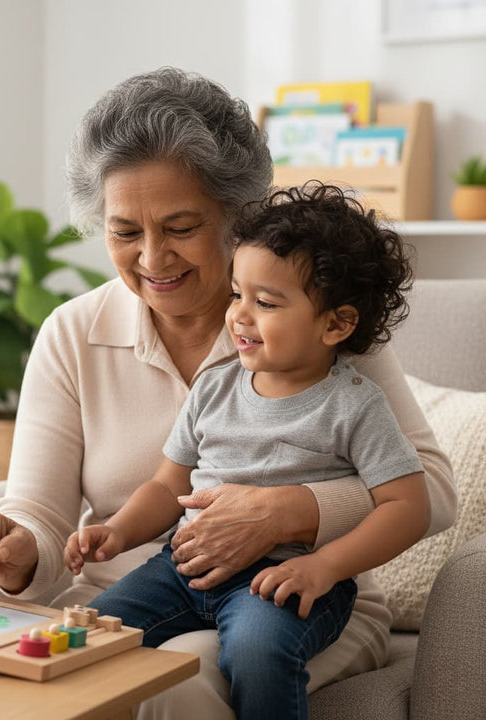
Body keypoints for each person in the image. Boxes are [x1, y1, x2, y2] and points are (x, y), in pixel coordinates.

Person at [0, 68, 455, 719]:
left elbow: (432, 492)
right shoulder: (71, 334)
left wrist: (288, 512)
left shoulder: (314, 322)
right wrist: (14, 549)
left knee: (173, 684)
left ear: (238, 217)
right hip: (160, 587)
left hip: (300, 595)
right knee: (69, 662)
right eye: (125, 232)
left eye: (181, 226)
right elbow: (45, 517)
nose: (153, 259)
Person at [63, 183, 430, 719]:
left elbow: (409, 506)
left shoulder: (354, 405)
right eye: (238, 293)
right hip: (182, 572)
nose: (239, 315)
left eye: (266, 302)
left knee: (259, 655)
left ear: (336, 324)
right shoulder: (215, 387)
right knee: (94, 633)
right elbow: (169, 486)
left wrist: (325, 566)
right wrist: (118, 532)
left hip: (284, 581)